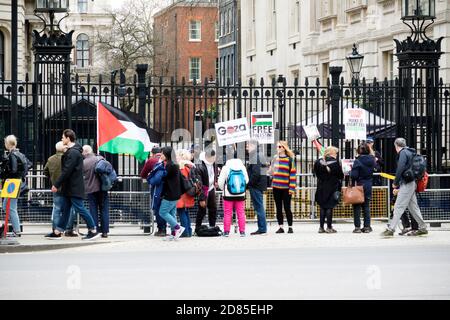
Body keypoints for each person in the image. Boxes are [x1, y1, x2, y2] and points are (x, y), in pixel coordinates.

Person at [47, 129, 100, 241]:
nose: (62, 139)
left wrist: (56, 184)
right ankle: (58, 231)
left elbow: (66, 171)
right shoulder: (74, 151)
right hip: (71, 187)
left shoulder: (73, 153)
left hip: (73, 187)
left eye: (63, 137)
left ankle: (93, 230)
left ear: (68, 138)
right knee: (66, 209)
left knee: (80, 208)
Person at [381, 138, 428, 237]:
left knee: (398, 206)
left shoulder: (403, 153)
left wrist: (396, 182)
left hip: (407, 183)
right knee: (413, 207)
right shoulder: (410, 152)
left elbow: (400, 167)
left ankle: (391, 229)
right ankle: (423, 227)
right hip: (412, 182)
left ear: (396, 146)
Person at [43, 142, 77, 237]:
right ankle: (69, 229)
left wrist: (52, 178)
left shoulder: (51, 159)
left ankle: (56, 230)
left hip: (56, 188)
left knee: (57, 209)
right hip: (68, 188)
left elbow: (45, 171)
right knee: (69, 209)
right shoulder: (68, 158)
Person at [0, 135, 31, 237]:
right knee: (8, 206)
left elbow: (13, 170)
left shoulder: (12, 155)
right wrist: (22, 174)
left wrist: (5, 171)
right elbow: (29, 164)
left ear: (7, 144)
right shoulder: (20, 154)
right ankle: (14, 228)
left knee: (10, 207)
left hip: (12, 183)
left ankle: (16, 230)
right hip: (17, 183)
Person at [218, 151, 249, 237]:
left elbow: (221, 182)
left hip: (228, 195)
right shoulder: (242, 167)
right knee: (241, 212)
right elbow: (246, 180)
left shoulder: (226, 167)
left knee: (227, 213)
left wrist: (224, 189)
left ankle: (226, 232)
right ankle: (242, 232)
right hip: (240, 194)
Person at [313, 146, 344, 234]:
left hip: (321, 187)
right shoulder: (335, 163)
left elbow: (315, 173)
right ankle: (329, 227)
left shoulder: (318, 162)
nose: (336, 154)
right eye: (336, 153)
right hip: (332, 187)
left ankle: (321, 227)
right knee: (329, 207)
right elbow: (341, 176)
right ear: (331, 153)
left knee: (322, 207)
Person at [269, 141, 297, 234]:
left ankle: (290, 227)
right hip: (276, 186)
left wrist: (292, 188)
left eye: (280, 146)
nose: (278, 148)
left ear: (284, 148)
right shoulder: (274, 158)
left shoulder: (290, 160)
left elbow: (292, 175)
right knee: (278, 208)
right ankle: (280, 227)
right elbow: (270, 173)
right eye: (277, 147)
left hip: (286, 187)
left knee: (287, 207)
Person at [82, 145, 110, 238]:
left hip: (90, 189)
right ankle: (105, 232)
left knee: (93, 210)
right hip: (102, 188)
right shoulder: (100, 158)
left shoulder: (83, 162)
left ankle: (95, 230)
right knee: (104, 210)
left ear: (85, 152)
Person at [158, 146, 185, 240]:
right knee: (172, 213)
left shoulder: (170, 165)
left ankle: (177, 228)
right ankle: (174, 234)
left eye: (162, 153)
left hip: (170, 193)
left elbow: (163, 177)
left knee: (163, 212)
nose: (161, 155)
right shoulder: (174, 164)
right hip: (176, 193)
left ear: (167, 155)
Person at [351, 142, 375, 233]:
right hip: (368, 184)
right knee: (366, 206)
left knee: (357, 207)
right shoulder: (372, 159)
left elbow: (354, 175)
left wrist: (351, 171)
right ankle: (367, 227)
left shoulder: (358, 161)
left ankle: (357, 227)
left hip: (359, 185)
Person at [246, 140, 268, 235]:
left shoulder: (256, 156)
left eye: (248, 145)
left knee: (259, 207)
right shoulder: (258, 155)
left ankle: (262, 229)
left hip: (256, 185)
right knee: (259, 207)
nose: (246, 147)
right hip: (258, 185)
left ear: (253, 146)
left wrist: (249, 183)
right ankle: (262, 228)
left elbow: (256, 173)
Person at [195, 149, 218, 233]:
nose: (216, 158)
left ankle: (212, 226)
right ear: (209, 157)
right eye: (214, 157)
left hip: (211, 188)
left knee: (213, 208)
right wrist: (201, 198)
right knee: (202, 209)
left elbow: (214, 173)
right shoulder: (199, 165)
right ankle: (197, 228)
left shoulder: (214, 163)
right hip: (204, 189)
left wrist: (215, 180)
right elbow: (199, 184)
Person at [176, 149, 196, 238]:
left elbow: (180, 182)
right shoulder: (190, 167)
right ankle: (189, 231)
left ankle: (185, 232)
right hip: (188, 193)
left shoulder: (182, 168)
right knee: (185, 212)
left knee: (182, 212)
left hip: (182, 194)